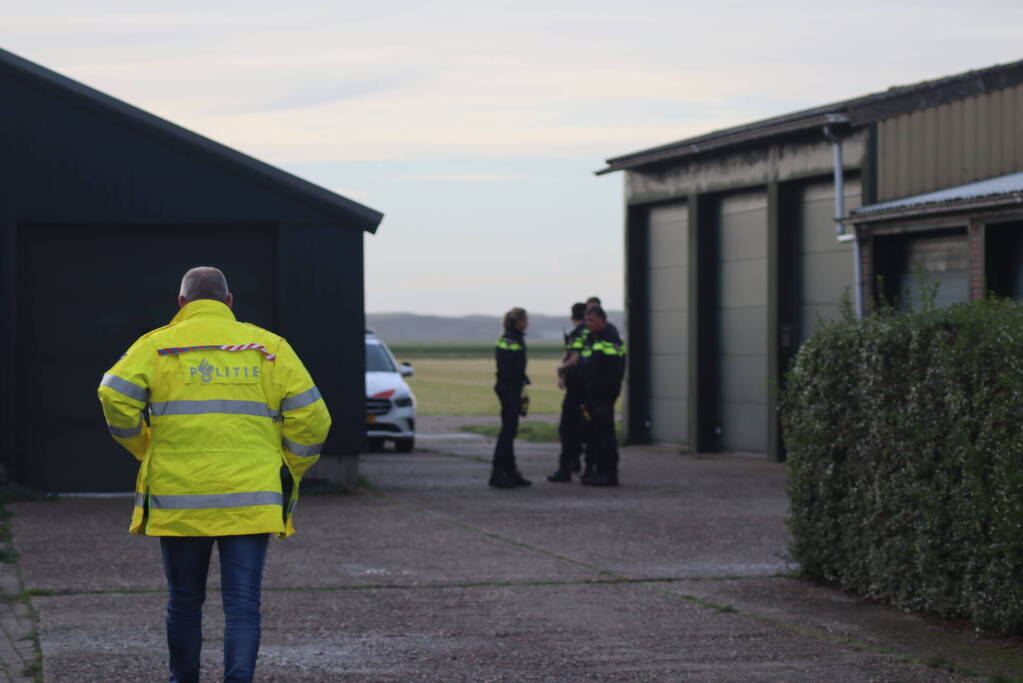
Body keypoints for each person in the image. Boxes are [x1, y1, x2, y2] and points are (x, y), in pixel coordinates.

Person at [97, 266, 331, 683]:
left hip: (180, 496)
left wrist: (143, 446)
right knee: (243, 604)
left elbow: (113, 393)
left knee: (184, 602)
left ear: (182, 303)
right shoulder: (269, 348)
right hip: (252, 496)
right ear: (229, 302)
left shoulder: (157, 345)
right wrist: (289, 466)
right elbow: (313, 417)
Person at [578, 305, 626, 487]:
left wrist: (606, 392)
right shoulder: (591, 338)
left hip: (603, 396)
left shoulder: (610, 339)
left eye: (591, 321)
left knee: (605, 434)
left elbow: (614, 371)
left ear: (602, 320)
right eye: (586, 321)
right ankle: (596, 470)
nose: (587, 324)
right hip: (590, 394)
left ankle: (609, 472)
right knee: (593, 434)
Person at [490, 307, 532, 488]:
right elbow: (509, 367)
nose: (527, 323)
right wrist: (516, 387)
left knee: (510, 431)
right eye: (525, 320)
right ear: (519, 322)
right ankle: (498, 473)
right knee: (507, 433)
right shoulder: (511, 340)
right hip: (509, 389)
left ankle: (511, 471)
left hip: (511, 387)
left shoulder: (512, 338)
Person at [548, 302, 589, 482]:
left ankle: (566, 466)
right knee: (584, 427)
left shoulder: (577, 334)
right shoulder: (594, 333)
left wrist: (561, 369)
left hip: (576, 388)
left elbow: (574, 356)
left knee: (567, 428)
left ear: (573, 318)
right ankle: (579, 462)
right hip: (589, 387)